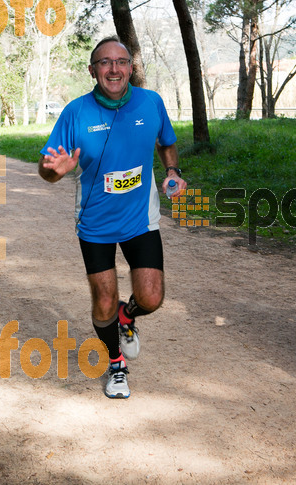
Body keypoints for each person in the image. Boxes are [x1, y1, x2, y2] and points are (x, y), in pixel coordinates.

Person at [38, 36, 187, 398]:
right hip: (96, 223)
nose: (114, 69)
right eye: (105, 62)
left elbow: (166, 141)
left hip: (140, 218)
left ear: (131, 68)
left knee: (151, 298)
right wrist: (56, 171)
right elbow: (47, 168)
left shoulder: (151, 103)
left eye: (121, 62)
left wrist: (172, 171)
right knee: (103, 300)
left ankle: (127, 316)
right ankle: (116, 363)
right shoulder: (76, 112)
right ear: (93, 70)